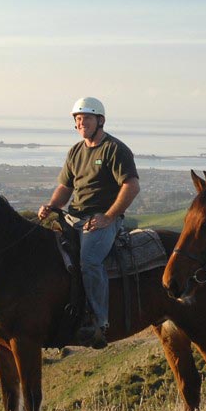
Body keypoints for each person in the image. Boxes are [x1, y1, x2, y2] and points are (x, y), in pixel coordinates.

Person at [37, 97, 140, 348]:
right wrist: (52, 207)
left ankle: (99, 321)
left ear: (100, 121)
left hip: (102, 219)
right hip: (74, 216)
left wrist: (109, 217)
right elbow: (65, 186)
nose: (82, 123)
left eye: (87, 118)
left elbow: (132, 186)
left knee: (89, 261)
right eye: (78, 119)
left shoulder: (114, 149)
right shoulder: (75, 151)